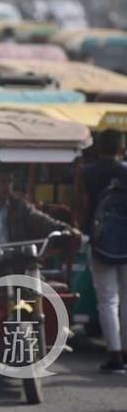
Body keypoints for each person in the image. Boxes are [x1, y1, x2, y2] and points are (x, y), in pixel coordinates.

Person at [0, 159, 80, 290]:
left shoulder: (20, 207)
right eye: (2, 181)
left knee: (23, 278)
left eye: (10, 181)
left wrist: (67, 229)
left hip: (11, 259)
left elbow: (43, 222)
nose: (7, 186)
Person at [81, 129, 127, 374]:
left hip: (100, 243)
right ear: (122, 148)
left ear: (98, 148)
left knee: (108, 299)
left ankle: (115, 355)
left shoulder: (88, 173)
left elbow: (84, 206)